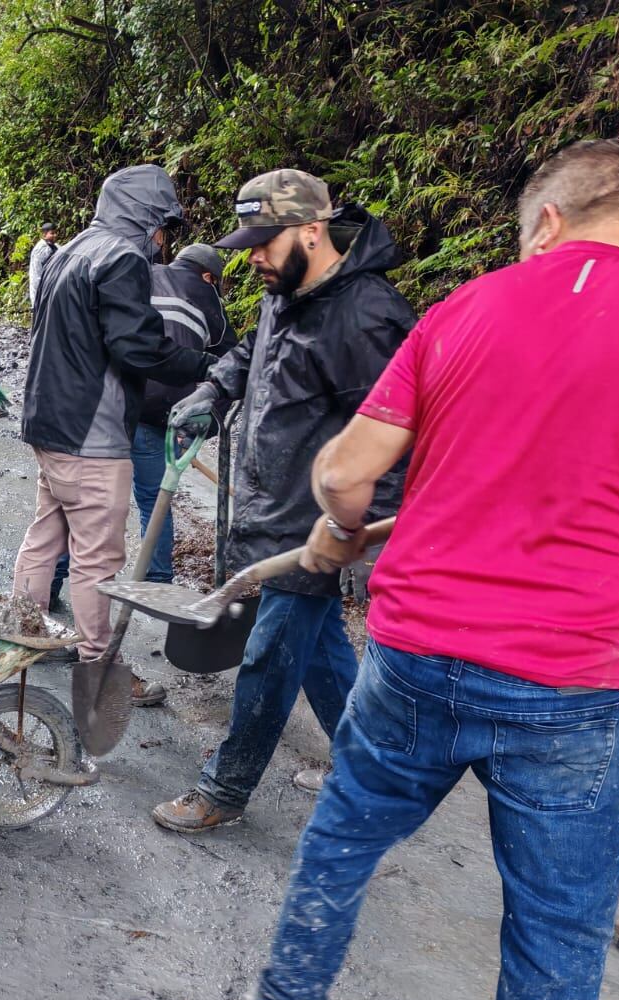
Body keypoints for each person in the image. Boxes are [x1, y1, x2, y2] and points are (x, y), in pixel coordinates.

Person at [232, 139, 619, 1000]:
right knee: (556, 934)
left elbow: (346, 470)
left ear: (548, 219)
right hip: (578, 688)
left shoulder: (464, 309)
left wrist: (339, 528)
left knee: (345, 832)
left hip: (418, 654)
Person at [154, 168, 415, 833]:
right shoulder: (288, 289)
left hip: (318, 524)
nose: (256, 258)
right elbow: (252, 352)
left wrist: (368, 539)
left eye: (266, 243)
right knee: (320, 647)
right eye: (250, 244)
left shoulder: (367, 315)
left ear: (312, 230)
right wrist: (214, 390)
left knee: (271, 656)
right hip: (273, 512)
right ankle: (371, 763)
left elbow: (396, 433)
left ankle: (225, 790)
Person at [12, 164, 217, 705]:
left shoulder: (74, 248)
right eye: (163, 225)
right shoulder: (122, 259)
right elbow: (140, 347)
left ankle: (19, 635)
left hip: (49, 420)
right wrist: (207, 368)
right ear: (148, 216)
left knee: (47, 534)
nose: (163, 239)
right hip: (91, 433)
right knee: (97, 559)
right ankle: (99, 666)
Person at [46, 239, 237, 607]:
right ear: (209, 275)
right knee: (153, 497)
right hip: (163, 412)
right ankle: (159, 582)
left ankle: (51, 581)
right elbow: (228, 367)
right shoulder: (209, 298)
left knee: (83, 500)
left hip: (111, 406)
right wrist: (209, 421)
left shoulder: (140, 274)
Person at [27, 220, 58, 310]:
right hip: (41, 286)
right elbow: (36, 273)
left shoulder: (55, 246)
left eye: (56, 233)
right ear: (44, 235)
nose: (55, 235)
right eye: (52, 233)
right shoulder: (40, 250)